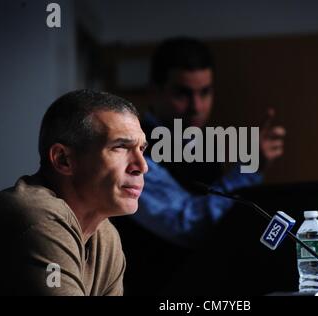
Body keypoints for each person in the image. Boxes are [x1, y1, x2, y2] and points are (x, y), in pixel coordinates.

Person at [111, 37, 286, 294]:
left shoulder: (199, 144)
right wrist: (247, 169)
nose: (196, 107)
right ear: (154, 91)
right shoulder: (134, 150)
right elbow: (189, 224)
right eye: (183, 93)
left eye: (205, 92)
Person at [0, 89, 148, 295]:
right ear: (63, 159)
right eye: (120, 146)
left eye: (142, 149)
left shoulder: (105, 236)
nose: (141, 166)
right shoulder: (39, 219)